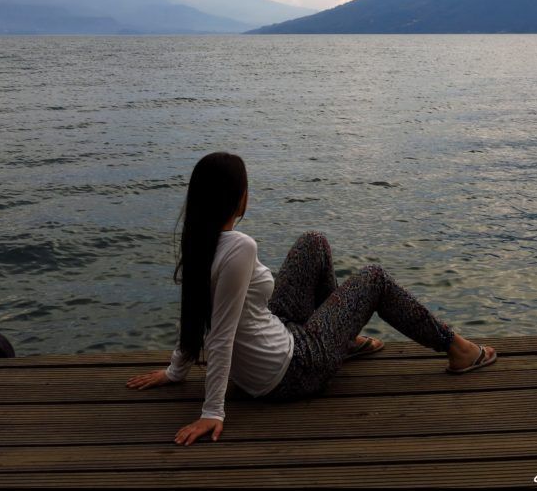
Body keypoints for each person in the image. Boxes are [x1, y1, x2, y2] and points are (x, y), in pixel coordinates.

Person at [126, 152, 497, 446]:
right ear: (238, 197)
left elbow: (196, 315)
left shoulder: (200, 243)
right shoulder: (239, 246)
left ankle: (344, 340)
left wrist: (176, 371)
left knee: (313, 242)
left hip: (270, 347)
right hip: (295, 370)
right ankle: (457, 349)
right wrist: (213, 412)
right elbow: (220, 334)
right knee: (374, 278)